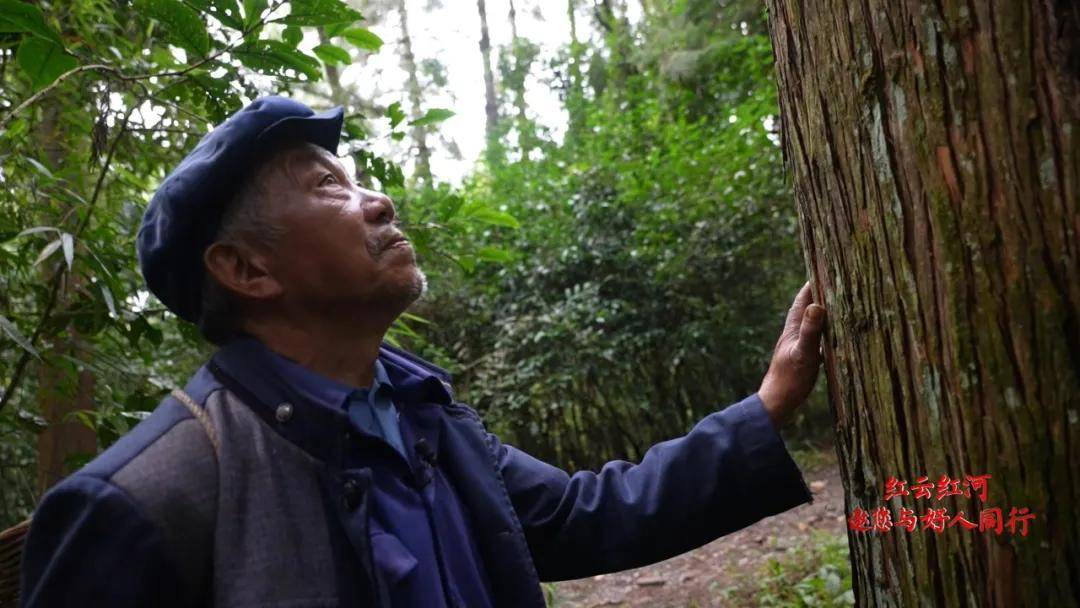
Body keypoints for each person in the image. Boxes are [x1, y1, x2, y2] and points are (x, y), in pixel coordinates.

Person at [19, 97, 827, 607]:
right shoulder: (144, 503)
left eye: (356, 176)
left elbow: (587, 515)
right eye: (327, 186)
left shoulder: (420, 419)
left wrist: (766, 409)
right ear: (245, 269)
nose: (378, 200)